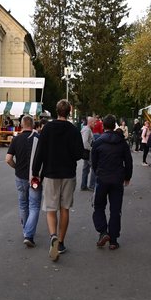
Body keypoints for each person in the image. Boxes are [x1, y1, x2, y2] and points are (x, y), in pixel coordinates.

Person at [31, 99, 84, 262]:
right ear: (69, 111)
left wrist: (35, 172)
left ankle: (53, 235)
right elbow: (79, 154)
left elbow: (39, 152)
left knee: (51, 208)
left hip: (50, 173)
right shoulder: (74, 130)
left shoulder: (47, 129)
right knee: (65, 208)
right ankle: (60, 242)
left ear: (56, 110)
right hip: (68, 173)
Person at [91, 115, 133, 250]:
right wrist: (127, 176)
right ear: (115, 125)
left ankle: (103, 231)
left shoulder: (98, 142)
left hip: (102, 178)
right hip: (117, 179)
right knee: (115, 210)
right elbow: (128, 161)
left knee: (98, 206)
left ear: (103, 125)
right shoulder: (122, 142)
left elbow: (94, 161)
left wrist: (98, 172)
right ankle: (113, 240)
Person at [5, 115, 41, 247]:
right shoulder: (38, 139)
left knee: (23, 204)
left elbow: (8, 159)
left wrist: (16, 167)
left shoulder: (16, 139)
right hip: (35, 178)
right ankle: (29, 234)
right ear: (33, 125)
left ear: (21, 125)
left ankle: (26, 230)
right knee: (34, 206)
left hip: (20, 177)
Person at [80, 116, 96, 191]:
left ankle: (84, 185)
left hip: (86, 151)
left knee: (85, 168)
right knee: (93, 168)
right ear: (90, 122)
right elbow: (85, 142)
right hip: (88, 152)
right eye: (94, 122)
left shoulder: (86, 129)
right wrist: (91, 149)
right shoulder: (87, 130)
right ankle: (92, 185)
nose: (95, 124)